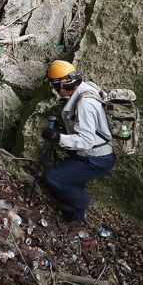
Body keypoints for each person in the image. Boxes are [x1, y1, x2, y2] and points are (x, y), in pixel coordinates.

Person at [41, 61, 116, 223]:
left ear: (61, 85)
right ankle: (74, 222)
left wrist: (57, 137)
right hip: (91, 155)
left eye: (55, 85)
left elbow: (86, 140)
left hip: (96, 158)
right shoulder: (87, 89)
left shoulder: (85, 104)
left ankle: (81, 201)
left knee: (53, 176)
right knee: (74, 182)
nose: (55, 89)